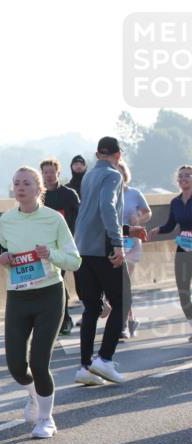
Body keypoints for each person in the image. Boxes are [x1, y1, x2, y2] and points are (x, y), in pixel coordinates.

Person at [0, 168, 81, 438]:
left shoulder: (54, 219)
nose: (20, 187)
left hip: (49, 295)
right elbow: (4, 250)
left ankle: (46, 419)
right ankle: (34, 393)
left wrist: (51, 254)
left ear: (38, 188)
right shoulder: (6, 220)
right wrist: (3, 259)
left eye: (27, 183)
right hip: (18, 296)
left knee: (39, 361)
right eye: (16, 183)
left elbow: (74, 260)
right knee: (15, 366)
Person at [71, 137, 148, 386]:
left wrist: (127, 230)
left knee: (92, 308)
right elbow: (107, 208)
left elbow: (92, 215)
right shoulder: (114, 175)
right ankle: (104, 359)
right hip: (104, 247)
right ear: (118, 155)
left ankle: (85, 367)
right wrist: (117, 242)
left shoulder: (89, 176)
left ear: (97, 154)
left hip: (83, 248)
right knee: (123, 301)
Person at [148, 164, 192, 341]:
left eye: (187, 175)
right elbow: (170, 225)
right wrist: (157, 229)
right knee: (183, 289)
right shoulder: (175, 202)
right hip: (183, 249)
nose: (183, 178)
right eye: (180, 176)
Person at [40, 158, 81, 335]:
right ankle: (60, 319)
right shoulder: (39, 196)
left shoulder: (69, 194)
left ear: (58, 173)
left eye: (51, 172)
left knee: (60, 280)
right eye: (45, 172)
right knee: (55, 281)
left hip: (67, 244)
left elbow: (79, 219)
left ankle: (66, 320)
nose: (48, 176)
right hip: (46, 247)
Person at [116, 160, 152, 339]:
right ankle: (130, 319)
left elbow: (148, 213)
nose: (117, 175)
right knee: (117, 284)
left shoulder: (134, 193)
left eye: (120, 171)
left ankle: (123, 323)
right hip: (114, 243)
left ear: (125, 174)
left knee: (123, 282)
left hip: (131, 243)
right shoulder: (107, 194)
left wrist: (138, 219)